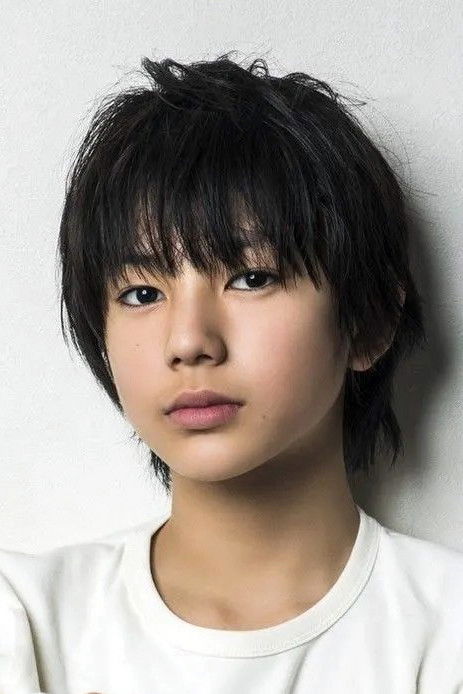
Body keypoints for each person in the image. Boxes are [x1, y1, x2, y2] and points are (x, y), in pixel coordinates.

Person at [1, 51, 462, 694]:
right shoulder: (26, 622)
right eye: (141, 293)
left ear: (369, 321)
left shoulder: (446, 632)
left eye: (251, 278)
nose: (189, 342)